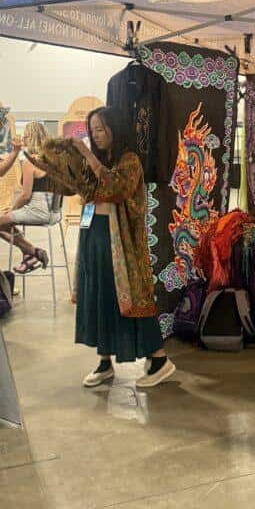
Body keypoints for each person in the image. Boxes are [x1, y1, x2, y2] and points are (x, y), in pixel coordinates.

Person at [73, 106, 175, 390]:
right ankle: (104, 360)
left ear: (114, 128)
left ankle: (159, 359)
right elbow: (83, 190)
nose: (96, 135)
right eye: (92, 130)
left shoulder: (129, 161)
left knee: (129, 299)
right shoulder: (101, 160)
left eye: (100, 129)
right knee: (99, 296)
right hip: (93, 232)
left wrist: (87, 155)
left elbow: (116, 189)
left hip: (118, 241)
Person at [0, 122, 58, 274]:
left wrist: (11, 210)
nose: (23, 139)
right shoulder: (54, 160)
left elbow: (25, 195)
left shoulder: (30, 162)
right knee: (7, 222)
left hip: (37, 210)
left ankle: (33, 251)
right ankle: (29, 255)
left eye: (26, 136)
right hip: (54, 213)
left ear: (33, 137)